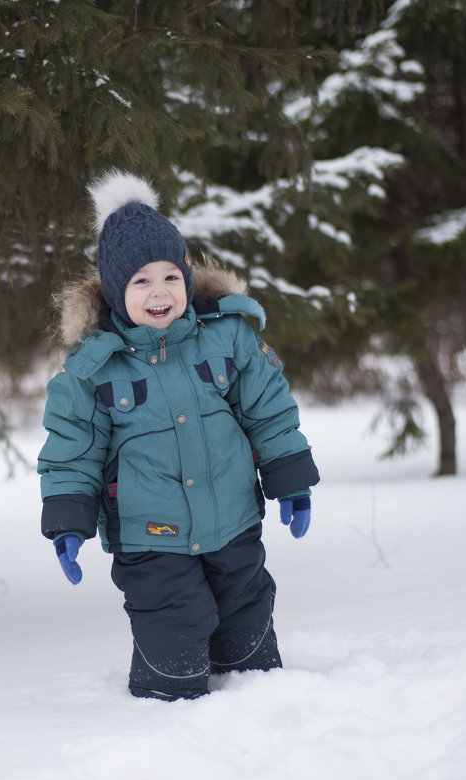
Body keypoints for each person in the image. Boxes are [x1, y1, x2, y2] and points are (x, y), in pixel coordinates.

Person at [38, 170, 320, 701]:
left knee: (248, 623)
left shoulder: (228, 336)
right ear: (116, 291)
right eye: (141, 281)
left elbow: (268, 410)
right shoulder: (91, 370)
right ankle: (166, 717)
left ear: (187, 273)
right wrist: (68, 522)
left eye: (170, 275)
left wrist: (291, 478)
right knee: (174, 634)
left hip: (234, 518)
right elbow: (71, 454)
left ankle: (263, 712)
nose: (159, 292)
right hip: (151, 537)